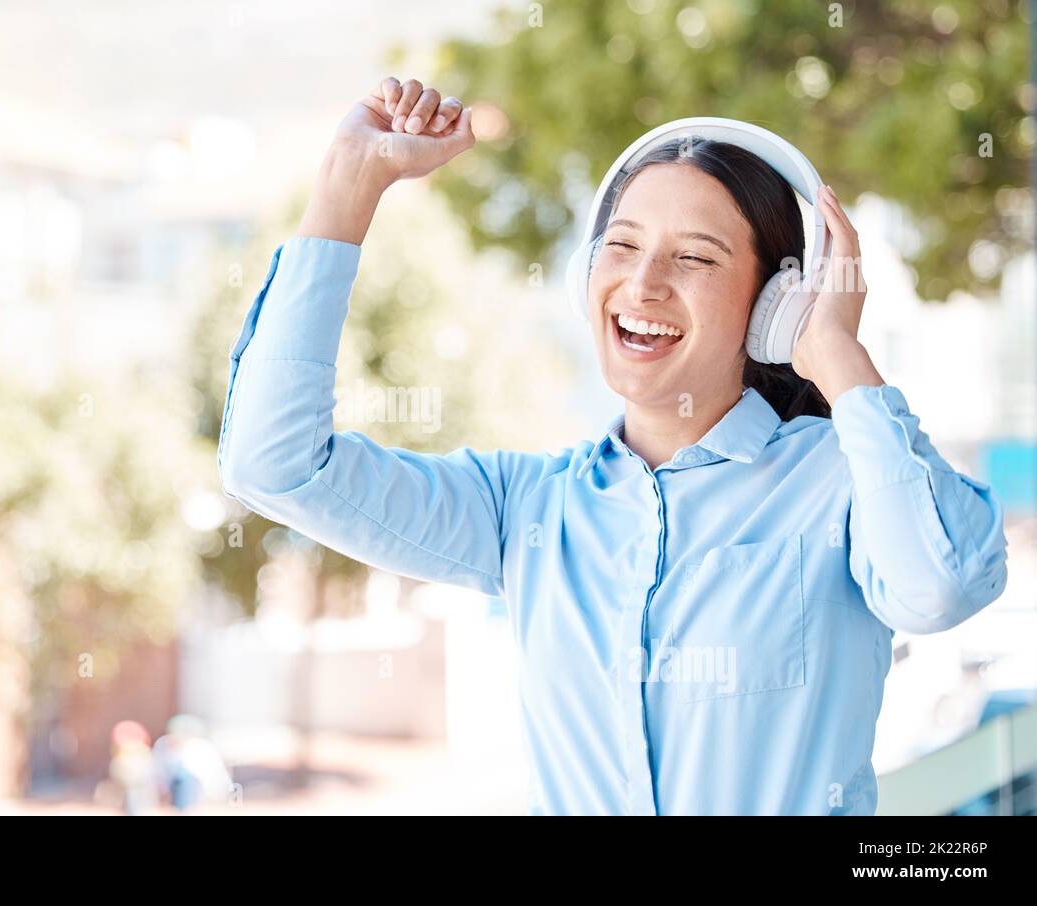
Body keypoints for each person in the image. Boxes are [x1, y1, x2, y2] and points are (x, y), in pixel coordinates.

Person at [216, 77, 1009, 815]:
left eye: (696, 257)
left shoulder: (843, 481)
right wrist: (349, 187)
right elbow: (275, 464)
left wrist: (836, 353)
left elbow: (939, 586)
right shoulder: (526, 510)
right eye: (622, 246)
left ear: (776, 302)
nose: (643, 284)